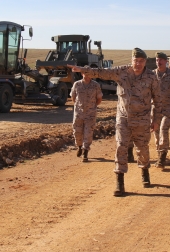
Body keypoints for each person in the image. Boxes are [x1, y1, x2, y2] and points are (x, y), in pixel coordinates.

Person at [67, 48, 162, 196]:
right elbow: (102, 72)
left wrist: (156, 120)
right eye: (136, 60)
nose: (138, 63)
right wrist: (83, 70)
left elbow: (158, 99)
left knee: (142, 148)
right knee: (121, 147)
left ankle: (144, 170)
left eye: (141, 61)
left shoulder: (151, 77)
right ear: (131, 60)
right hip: (123, 119)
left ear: (145, 62)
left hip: (142, 120)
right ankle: (120, 182)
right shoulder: (122, 72)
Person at [152, 52, 170, 170]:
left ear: (166, 62)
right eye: (157, 60)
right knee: (156, 132)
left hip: (169, 107)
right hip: (155, 109)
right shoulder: (151, 75)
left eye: (161, 60)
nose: (159, 62)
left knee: (164, 129)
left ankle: (162, 157)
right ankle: (160, 153)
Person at [71, 70, 103, 162]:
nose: (87, 76)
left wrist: (92, 107)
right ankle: (80, 147)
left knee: (88, 133)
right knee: (77, 132)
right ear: (82, 74)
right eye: (85, 73)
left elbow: (99, 99)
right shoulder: (77, 84)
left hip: (90, 114)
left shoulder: (95, 85)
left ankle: (85, 152)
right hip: (78, 113)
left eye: (89, 74)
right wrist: (79, 107)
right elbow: (73, 97)